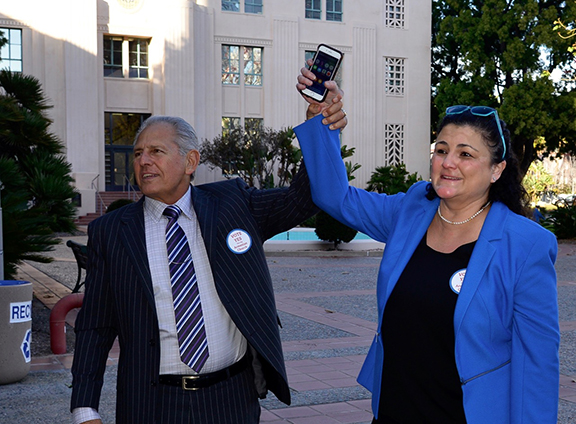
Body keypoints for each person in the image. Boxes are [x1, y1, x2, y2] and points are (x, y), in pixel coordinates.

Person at [294, 69, 560, 423]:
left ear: (496, 170)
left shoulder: (525, 244)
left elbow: (537, 365)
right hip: (392, 412)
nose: (448, 162)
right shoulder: (412, 209)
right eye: (441, 150)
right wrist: (322, 125)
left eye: (466, 154)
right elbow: (336, 198)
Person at [70, 114, 346, 424]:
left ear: (190, 161)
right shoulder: (112, 232)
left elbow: (301, 200)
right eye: (138, 153)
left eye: (156, 151)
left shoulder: (233, 205)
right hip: (152, 403)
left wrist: (320, 127)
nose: (143, 161)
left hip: (230, 398)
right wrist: (85, 408)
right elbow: (95, 325)